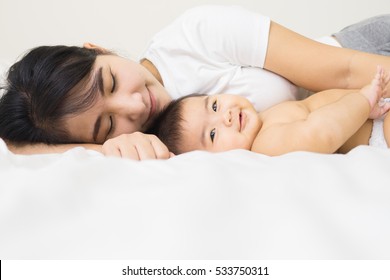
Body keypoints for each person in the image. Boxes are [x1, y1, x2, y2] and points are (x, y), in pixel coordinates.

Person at [1, 5, 390, 160]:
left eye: (111, 82)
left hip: (370, 64)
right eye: (107, 124)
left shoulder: (194, 38)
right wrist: (101, 148)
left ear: (99, 48)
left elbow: (347, 72)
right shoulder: (160, 147)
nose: (134, 107)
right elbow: (17, 147)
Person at [147, 67, 390, 156]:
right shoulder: (267, 144)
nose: (226, 117)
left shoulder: (267, 118)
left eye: (214, 106)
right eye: (212, 134)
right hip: (377, 132)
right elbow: (321, 133)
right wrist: (362, 101)